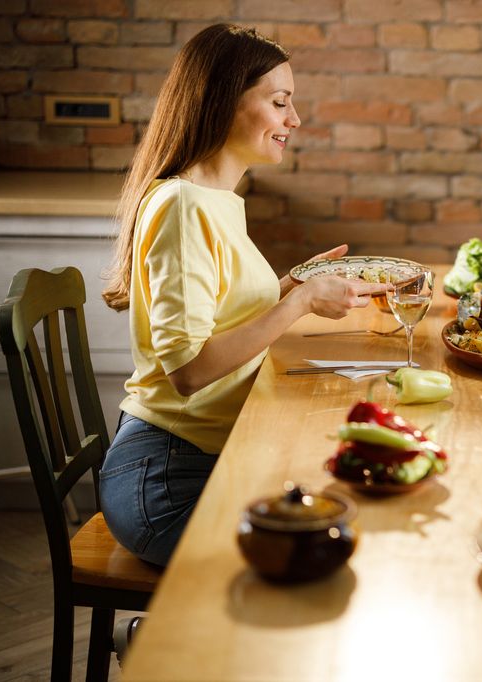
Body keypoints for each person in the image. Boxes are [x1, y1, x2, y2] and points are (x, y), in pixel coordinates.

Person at [99, 24, 392, 566]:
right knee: (339, 548)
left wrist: (291, 285)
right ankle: (166, 643)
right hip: (166, 479)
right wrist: (297, 304)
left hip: (208, 455)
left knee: (359, 514)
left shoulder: (215, 200)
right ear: (222, 101)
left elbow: (218, 314)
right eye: (280, 103)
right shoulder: (184, 205)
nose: (294, 120)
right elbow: (188, 370)